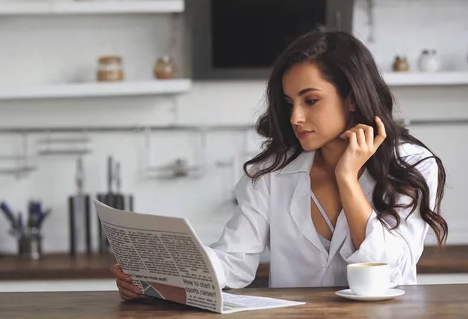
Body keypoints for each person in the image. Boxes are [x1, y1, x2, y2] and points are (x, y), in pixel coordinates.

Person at [111, 29, 448, 300]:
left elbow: (388, 272)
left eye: (311, 100)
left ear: (352, 97)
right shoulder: (271, 172)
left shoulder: (413, 165)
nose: (296, 117)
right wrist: (153, 274)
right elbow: (234, 261)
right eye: (289, 103)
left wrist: (347, 178)